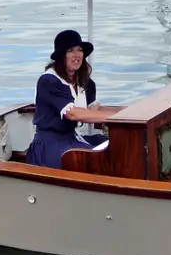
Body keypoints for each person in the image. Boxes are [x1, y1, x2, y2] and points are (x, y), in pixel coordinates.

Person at [26, 30, 112, 169]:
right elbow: (73, 114)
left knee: (112, 144)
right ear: (61, 56)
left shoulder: (85, 82)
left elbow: (93, 109)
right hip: (50, 143)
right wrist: (113, 118)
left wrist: (130, 113)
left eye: (79, 50)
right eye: (70, 50)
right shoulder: (49, 81)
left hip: (72, 137)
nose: (77, 55)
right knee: (94, 159)